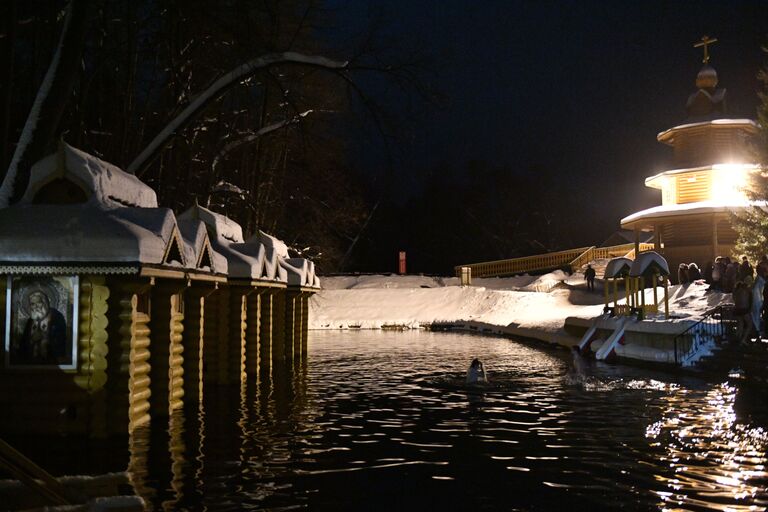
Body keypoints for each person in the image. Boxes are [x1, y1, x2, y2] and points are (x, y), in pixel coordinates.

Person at [13, 290, 68, 365]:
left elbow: (61, 342)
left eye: (38, 302)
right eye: (32, 304)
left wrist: (45, 337)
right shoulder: (30, 320)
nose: (36, 307)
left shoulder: (56, 317)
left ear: (45, 302)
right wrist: (31, 340)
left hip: (52, 363)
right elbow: (23, 345)